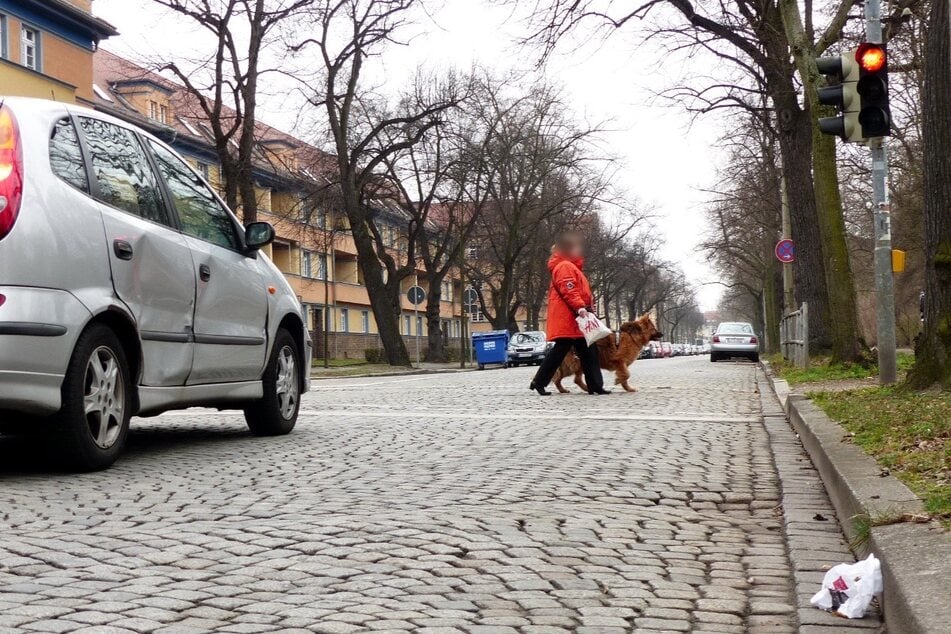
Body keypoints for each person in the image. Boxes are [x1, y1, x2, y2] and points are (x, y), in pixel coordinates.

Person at [530, 233, 610, 396]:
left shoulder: (569, 266)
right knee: (562, 351)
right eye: (576, 247)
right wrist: (580, 307)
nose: (579, 250)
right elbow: (569, 288)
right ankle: (539, 382)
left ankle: (595, 385)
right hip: (570, 318)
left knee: (588, 350)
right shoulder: (565, 266)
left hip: (574, 319)